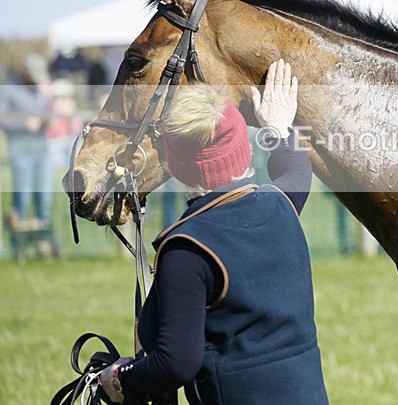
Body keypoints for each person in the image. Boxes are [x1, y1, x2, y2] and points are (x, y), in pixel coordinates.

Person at [100, 59, 328, 404]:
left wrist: (120, 379)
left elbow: (175, 363)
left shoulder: (186, 249)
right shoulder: (280, 205)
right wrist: (277, 127)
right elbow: (297, 168)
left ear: (175, 166)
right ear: (243, 151)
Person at [0, 53, 60, 259]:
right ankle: (19, 248)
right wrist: (24, 123)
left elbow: (47, 114)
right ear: (25, 71)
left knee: (44, 198)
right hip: (20, 149)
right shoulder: (9, 89)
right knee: (22, 199)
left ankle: (44, 246)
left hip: (41, 148)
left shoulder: (41, 89)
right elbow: (3, 118)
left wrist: (49, 108)